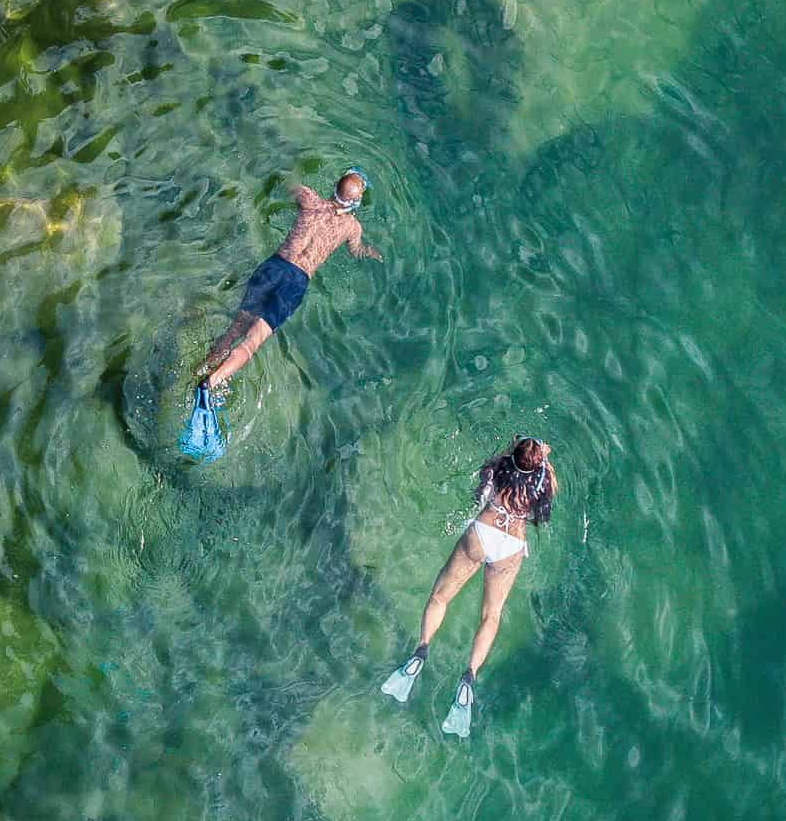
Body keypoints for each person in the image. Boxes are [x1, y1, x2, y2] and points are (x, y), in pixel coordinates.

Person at [381, 436, 557, 738]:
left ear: (513, 455)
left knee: (440, 596)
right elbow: (543, 513)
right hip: (511, 544)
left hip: (483, 530)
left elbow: (481, 487)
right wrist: (545, 464)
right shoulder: (544, 482)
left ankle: (420, 651)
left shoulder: (499, 466)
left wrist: (511, 452)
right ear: (539, 463)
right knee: (491, 616)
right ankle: (468, 678)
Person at [196, 170, 381, 392]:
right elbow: (356, 251)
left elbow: (286, 179)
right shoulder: (352, 227)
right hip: (296, 281)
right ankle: (210, 383)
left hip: (274, 266)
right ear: (356, 202)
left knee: (235, 328)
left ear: (334, 186)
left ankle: (202, 369)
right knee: (252, 342)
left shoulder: (310, 199)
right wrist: (370, 252)